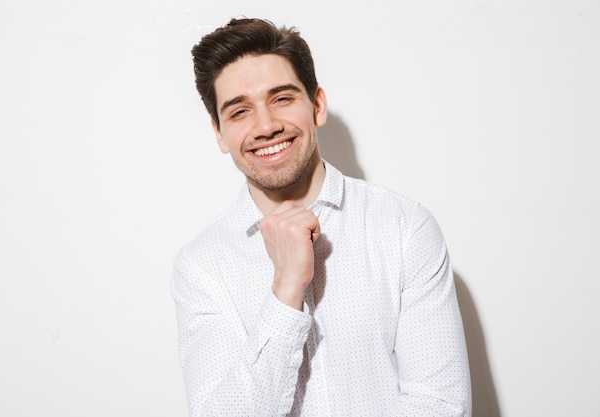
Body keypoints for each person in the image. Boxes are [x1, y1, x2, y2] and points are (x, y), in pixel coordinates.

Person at [172, 17, 471, 416]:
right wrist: (286, 289)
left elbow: (442, 406)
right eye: (240, 111)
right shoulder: (202, 266)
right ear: (219, 133)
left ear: (317, 105)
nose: (266, 126)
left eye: (281, 99)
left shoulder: (404, 228)